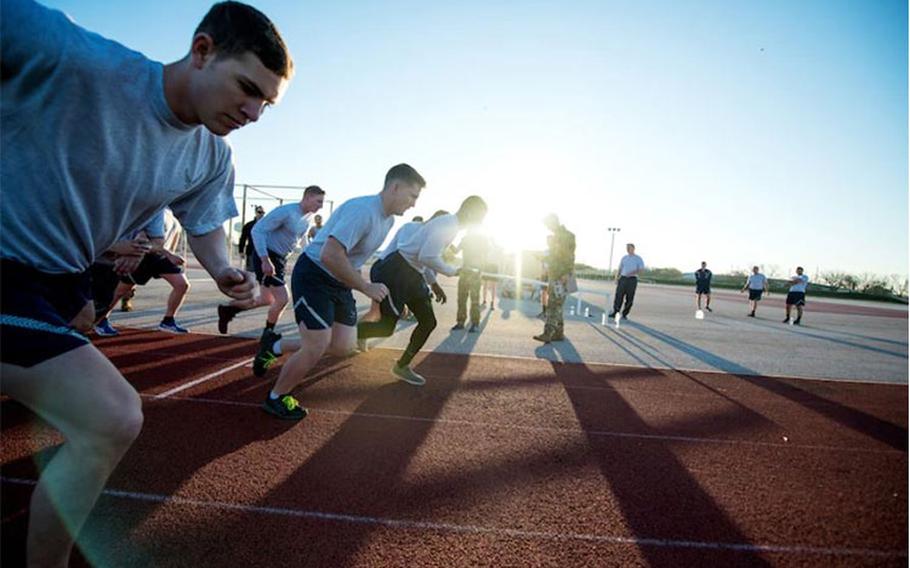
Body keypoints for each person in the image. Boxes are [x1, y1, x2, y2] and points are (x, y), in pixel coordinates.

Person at [0, 2, 293, 565]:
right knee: (112, 416)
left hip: (65, 282)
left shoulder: (210, 154)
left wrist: (225, 270)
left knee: (86, 349)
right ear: (202, 51)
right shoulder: (74, 58)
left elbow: (205, 224)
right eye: (247, 88)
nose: (254, 111)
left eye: (267, 102)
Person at [253, 164, 425, 419]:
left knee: (343, 346)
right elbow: (330, 254)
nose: (413, 204)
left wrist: (363, 283)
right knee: (317, 344)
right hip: (314, 275)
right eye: (412, 196)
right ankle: (276, 397)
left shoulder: (387, 220)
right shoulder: (363, 211)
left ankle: (274, 345)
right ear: (395, 187)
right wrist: (365, 286)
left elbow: (350, 258)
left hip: (339, 282)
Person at [357, 196, 488, 384]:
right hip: (397, 271)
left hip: (413, 274)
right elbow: (427, 256)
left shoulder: (451, 226)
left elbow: (424, 258)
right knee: (386, 328)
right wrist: (454, 271)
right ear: (469, 212)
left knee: (428, 322)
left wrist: (434, 284)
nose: (480, 222)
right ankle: (344, 334)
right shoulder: (448, 225)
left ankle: (401, 366)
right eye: (479, 217)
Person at [217, 185, 325, 336]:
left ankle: (228, 310)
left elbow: (302, 240)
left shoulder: (308, 217)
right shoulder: (286, 212)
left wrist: (314, 256)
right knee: (283, 298)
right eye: (318, 201)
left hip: (279, 259)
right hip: (268, 256)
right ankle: (269, 333)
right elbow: (258, 230)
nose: (321, 206)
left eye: (322, 202)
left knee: (265, 299)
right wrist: (265, 260)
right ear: (307, 198)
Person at [95, 211, 193, 335]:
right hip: (144, 257)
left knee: (182, 285)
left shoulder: (173, 215)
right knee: (121, 291)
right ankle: (100, 320)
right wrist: (169, 255)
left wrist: (170, 255)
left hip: (160, 257)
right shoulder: (155, 209)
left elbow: (165, 240)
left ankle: (168, 321)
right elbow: (142, 238)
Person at [533, 214, 575, 343]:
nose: (547, 227)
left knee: (553, 305)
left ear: (554, 222)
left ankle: (548, 333)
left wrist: (566, 274)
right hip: (555, 273)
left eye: (548, 224)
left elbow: (569, 256)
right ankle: (558, 333)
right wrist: (542, 257)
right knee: (557, 305)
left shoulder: (566, 236)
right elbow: (555, 257)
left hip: (561, 275)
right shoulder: (557, 236)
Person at [452, 228, 488, 332]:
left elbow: (484, 256)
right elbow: (456, 251)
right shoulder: (466, 239)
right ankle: (461, 322)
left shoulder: (481, 240)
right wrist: (448, 243)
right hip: (465, 272)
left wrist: (481, 269)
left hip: (475, 273)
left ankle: (474, 323)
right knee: (462, 299)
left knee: (474, 300)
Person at [609, 243, 645, 320]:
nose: (628, 249)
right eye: (627, 248)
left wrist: (632, 272)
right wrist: (616, 278)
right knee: (618, 296)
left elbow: (641, 270)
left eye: (629, 248)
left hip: (632, 279)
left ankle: (624, 314)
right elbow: (620, 268)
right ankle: (615, 312)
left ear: (633, 248)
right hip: (623, 279)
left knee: (629, 297)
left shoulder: (638, 258)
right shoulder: (624, 258)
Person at [239, 205, 266, 271]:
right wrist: (241, 250)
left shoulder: (267, 225)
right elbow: (243, 238)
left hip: (264, 252)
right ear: (256, 212)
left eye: (263, 212)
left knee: (263, 272)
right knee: (251, 271)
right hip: (251, 251)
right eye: (259, 212)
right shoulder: (249, 225)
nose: (261, 214)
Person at [481, 241, 500, 310]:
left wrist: (493, 240)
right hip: (487, 266)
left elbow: (496, 245)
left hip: (494, 267)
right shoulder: (486, 248)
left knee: (493, 287)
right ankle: (484, 300)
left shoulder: (497, 248)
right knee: (485, 285)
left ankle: (492, 302)